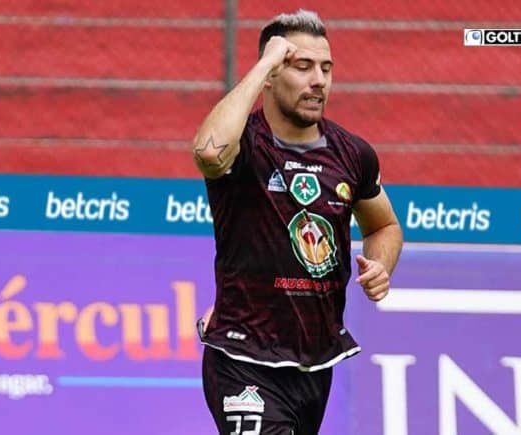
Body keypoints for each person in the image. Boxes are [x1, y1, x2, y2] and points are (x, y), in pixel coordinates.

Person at [192, 9, 403, 435]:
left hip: (315, 364)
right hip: (244, 359)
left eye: (326, 68)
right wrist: (265, 64)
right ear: (271, 75)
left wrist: (382, 265)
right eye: (302, 66)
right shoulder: (245, 144)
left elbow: (384, 227)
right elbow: (209, 152)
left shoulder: (353, 154)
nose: (319, 80)